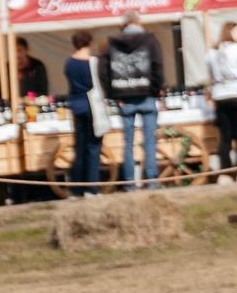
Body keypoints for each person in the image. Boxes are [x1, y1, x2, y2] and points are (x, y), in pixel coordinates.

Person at [101, 10, 168, 188]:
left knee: (128, 142)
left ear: (123, 24)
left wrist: (114, 95)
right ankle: (152, 181)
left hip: (125, 98)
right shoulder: (150, 40)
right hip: (146, 95)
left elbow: (104, 72)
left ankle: (129, 183)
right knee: (150, 140)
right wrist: (155, 90)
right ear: (139, 21)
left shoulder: (111, 44)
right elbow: (158, 66)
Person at [206, 22, 237, 174]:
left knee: (225, 136)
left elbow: (210, 77)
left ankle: (225, 171)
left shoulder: (211, 52)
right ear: (231, 32)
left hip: (220, 95)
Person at [62, 30, 102, 197]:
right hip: (92, 106)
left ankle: (76, 188)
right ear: (90, 42)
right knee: (93, 148)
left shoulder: (69, 62)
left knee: (80, 147)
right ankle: (91, 188)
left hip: (76, 106)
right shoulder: (93, 62)